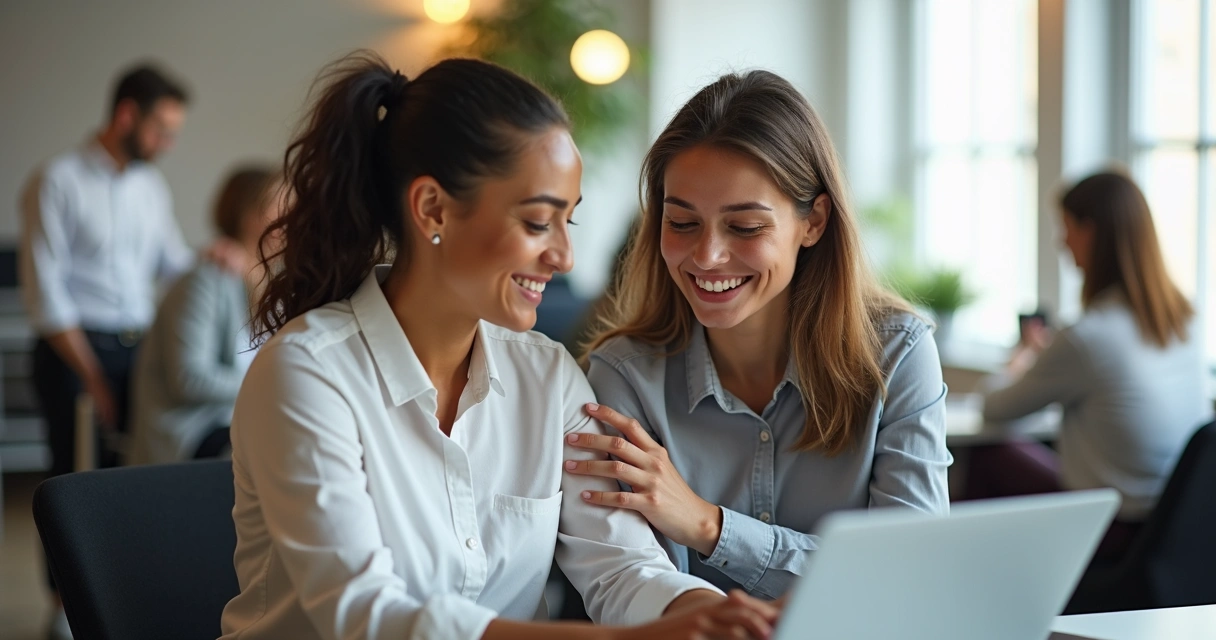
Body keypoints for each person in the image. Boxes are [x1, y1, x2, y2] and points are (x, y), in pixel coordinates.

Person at [219, 52, 779, 640]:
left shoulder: (547, 375)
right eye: (539, 222)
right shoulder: (309, 371)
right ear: (433, 208)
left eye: (571, 223)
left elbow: (621, 565)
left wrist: (705, 615)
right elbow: (365, 617)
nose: (563, 257)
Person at [569, 70, 952, 600]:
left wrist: (709, 526)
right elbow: (633, 587)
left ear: (813, 222)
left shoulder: (896, 354)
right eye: (682, 223)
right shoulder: (624, 377)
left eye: (745, 227)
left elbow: (910, 575)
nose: (706, 257)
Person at [17, 61, 193, 640]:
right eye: (160, 129)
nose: (167, 143)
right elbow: (47, 295)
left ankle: (117, 597)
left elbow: (172, 265)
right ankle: (62, 609)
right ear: (125, 114)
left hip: (137, 348)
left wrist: (220, 258)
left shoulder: (149, 186)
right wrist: (92, 377)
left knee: (127, 478)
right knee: (71, 481)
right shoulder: (57, 180)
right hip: (73, 352)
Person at [968, 171, 1213, 561]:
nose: (1061, 241)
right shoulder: (1186, 320)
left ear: (1092, 232)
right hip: (1176, 533)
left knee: (989, 455)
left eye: (1066, 228)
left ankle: (984, 592)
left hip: (1112, 533)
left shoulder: (1088, 337)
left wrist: (1021, 361)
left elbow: (995, 408)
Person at [129, 165, 285, 465]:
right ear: (250, 216)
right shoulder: (205, 281)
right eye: (280, 205)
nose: (291, 216)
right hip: (194, 430)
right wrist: (272, 385)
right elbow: (189, 379)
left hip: (241, 418)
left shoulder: (272, 283)